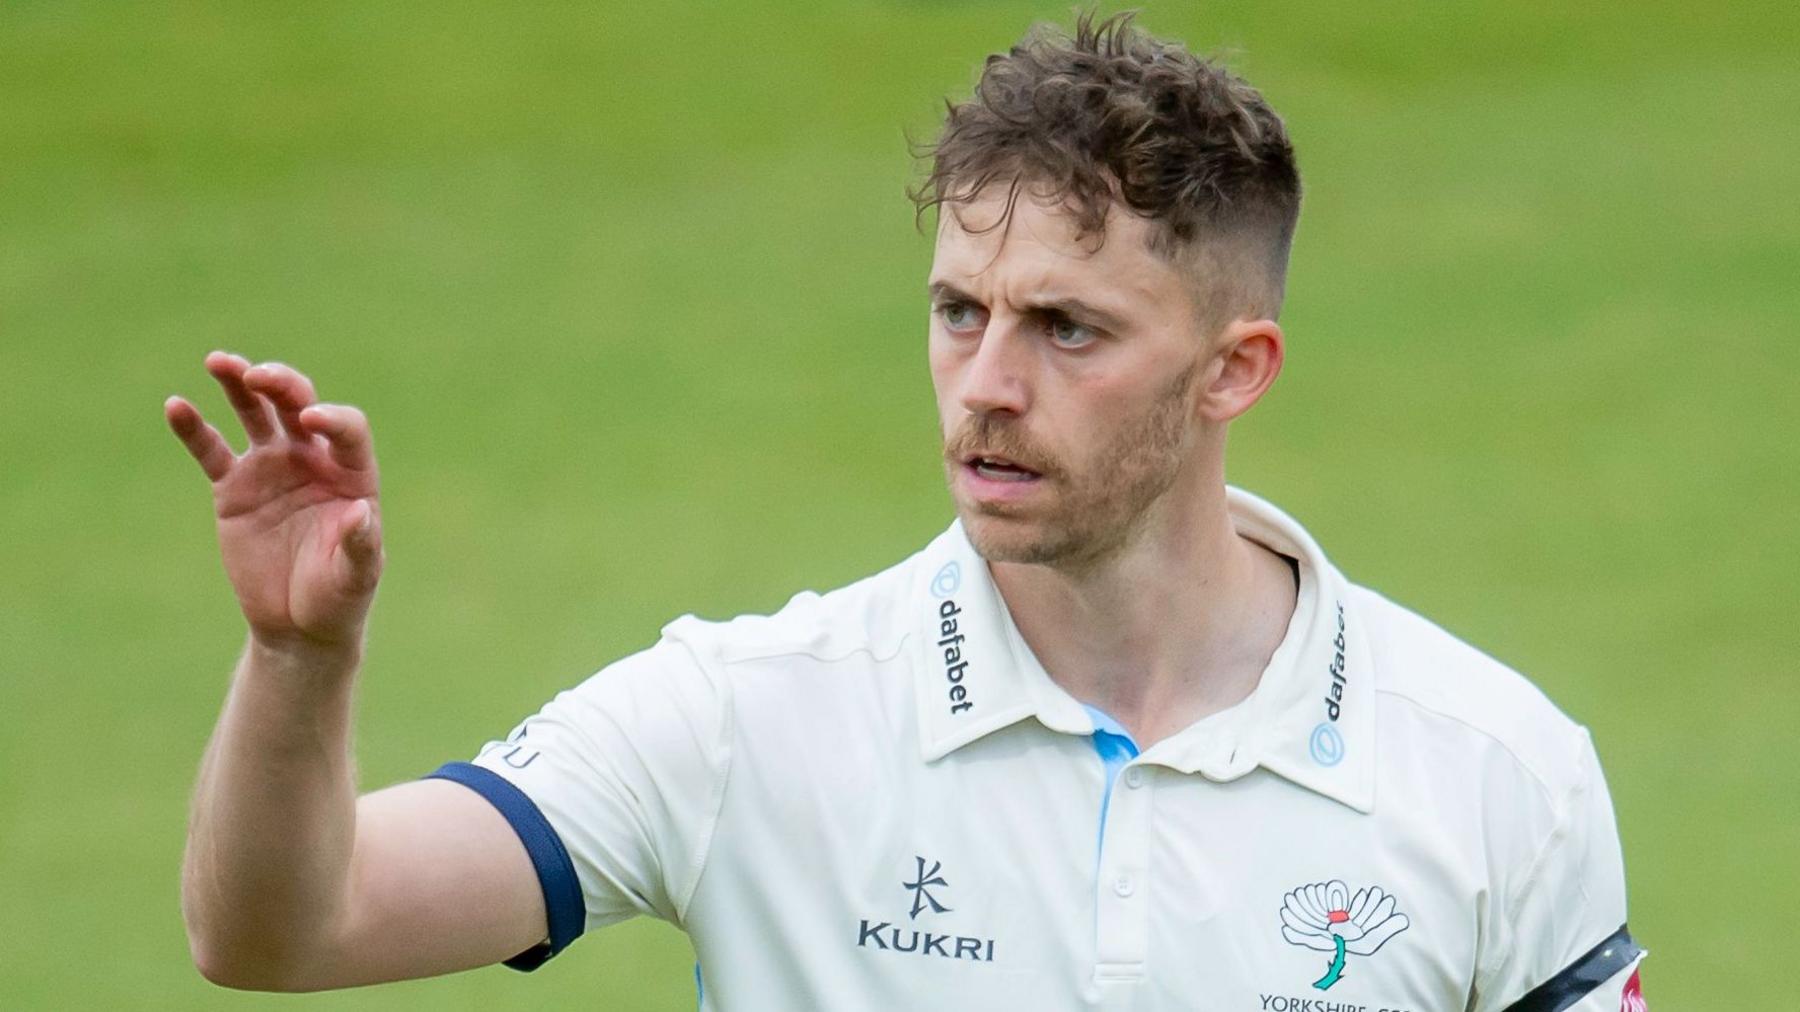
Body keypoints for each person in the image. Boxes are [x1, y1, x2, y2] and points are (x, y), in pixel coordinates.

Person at [168, 12, 1645, 1011]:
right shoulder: (747, 722)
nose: (984, 386)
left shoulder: (1495, 772)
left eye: (1066, 328)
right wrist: (302, 667)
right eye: (957, 312)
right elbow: (283, 932)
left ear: (1231, 369)